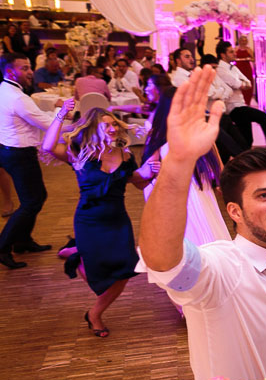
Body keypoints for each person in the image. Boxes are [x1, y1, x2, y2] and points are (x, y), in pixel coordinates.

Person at [138, 66, 266, 380]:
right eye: (264, 195)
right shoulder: (219, 268)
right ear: (234, 211)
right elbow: (161, 259)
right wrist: (178, 162)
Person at [41, 105, 159, 337]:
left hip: (117, 221)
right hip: (89, 220)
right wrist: (61, 114)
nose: (114, 128)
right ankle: (78, 256)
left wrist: (150, 170)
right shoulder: (79, 152)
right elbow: (47, 146)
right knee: (98, 272)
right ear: (95, 128)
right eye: (107, 125)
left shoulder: (124, 153)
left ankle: (94, 312)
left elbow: (138, 182)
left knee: (126, 270)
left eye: (115, 123)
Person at [141, 86, 229, 251]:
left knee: (206, 230)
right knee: (194, 235)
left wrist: (222, 182)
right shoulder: (159, 133)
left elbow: (216, 159)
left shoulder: (197, 127)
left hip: (198, 188)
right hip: (180, 191)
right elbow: (150, 168)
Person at [0, 52, 59, 269]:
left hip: (9, 150)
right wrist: (64, 113)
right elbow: (47, 124)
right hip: (19, 154)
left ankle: (23, 242)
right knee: (32, 201)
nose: (30, 71)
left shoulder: (5, 90)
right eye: (24, 68)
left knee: (35, 198)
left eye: (29, 67)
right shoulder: (18, 98)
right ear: (10, 71)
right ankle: (3, 246)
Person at [216, 41, 266, 148]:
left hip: (241, 105)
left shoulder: (233, 68)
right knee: (264, 118)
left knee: (247, 139)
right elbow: (238, 84)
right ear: (222, 55)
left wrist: (241, 83)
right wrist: (240, 83)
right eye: (231, 52)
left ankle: (244, 159)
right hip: (233, 107)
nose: (235, 54)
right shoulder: (220, 69)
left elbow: (247, 82)